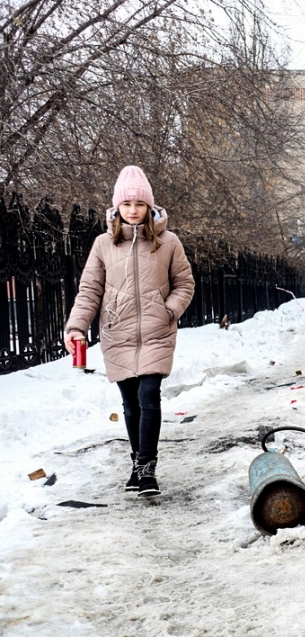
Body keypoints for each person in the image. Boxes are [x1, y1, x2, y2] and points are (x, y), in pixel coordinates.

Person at [64, 166, 195, 498]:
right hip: (117, 332)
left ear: (149, 206)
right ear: (116, 208)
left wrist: (168, 310)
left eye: (139, 203)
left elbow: (185, 284)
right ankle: (136, 462)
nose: (133, 210)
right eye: (127, 204)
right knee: (130, 404)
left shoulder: (168, 242)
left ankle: (147, 470)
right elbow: (89, 290)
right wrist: (77, 326)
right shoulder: (102, 245)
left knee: (148, 397)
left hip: (156, 332)